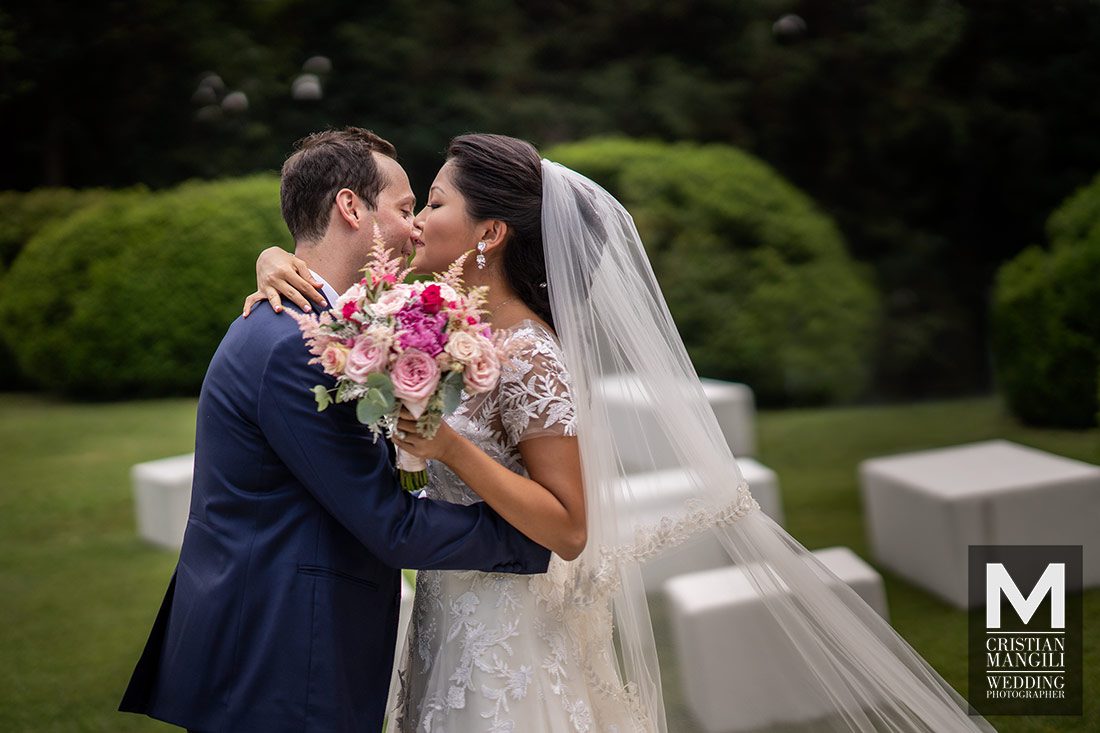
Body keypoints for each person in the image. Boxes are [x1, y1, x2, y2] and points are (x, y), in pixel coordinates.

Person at [250, 133, 999, 732]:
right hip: (446, 617)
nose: (413, 225)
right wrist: (274, 256)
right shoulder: (429, 320)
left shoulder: (533, 356)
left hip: (506, 635)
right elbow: (339, 292)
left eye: (433, 204)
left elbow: (572, 527)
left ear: (490, 233)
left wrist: (446, 447)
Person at [118, 128, 550, 733]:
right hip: (282, 657)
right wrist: (538, 533)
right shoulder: (295, 343)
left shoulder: (334, 324)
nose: (416, 227)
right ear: (351, 208)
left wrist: (273, 254)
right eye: (404, 209)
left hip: (279, 643)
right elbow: (392, 526)